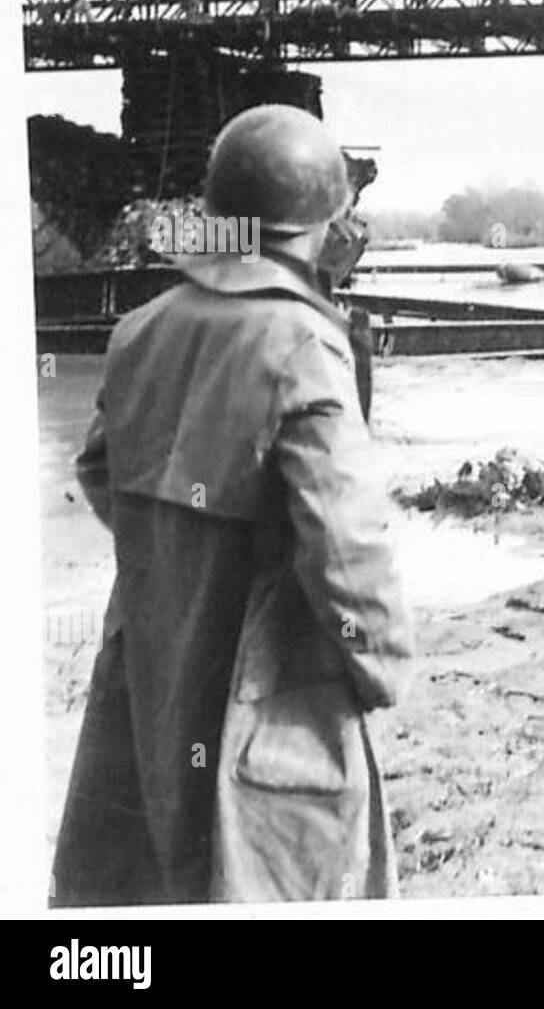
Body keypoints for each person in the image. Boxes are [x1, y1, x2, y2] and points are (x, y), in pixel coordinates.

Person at [51, 104, 412, 906]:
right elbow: (348, 550)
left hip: (150, 665)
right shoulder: (304, 344)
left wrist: (181, 551)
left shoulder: (139, 329)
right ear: (323, 223)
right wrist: (378, 665)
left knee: (143, 889)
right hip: (271, 691)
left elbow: (100, 470)